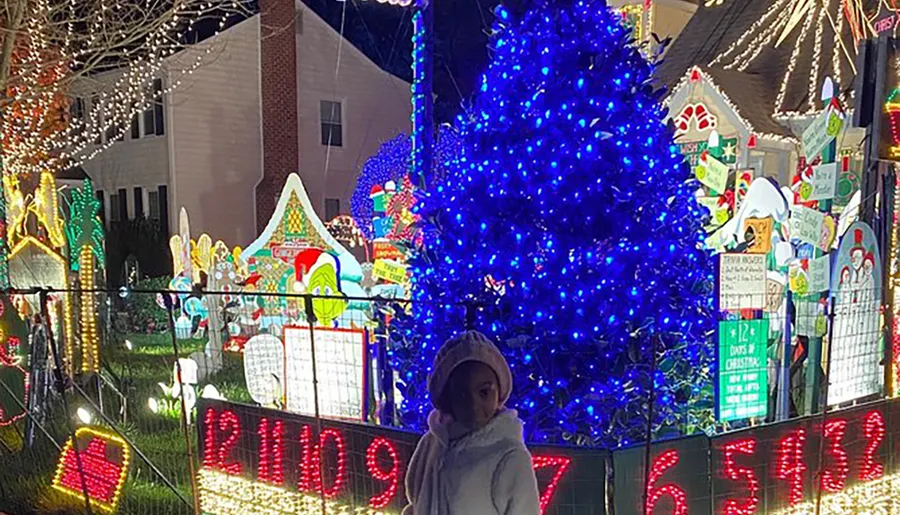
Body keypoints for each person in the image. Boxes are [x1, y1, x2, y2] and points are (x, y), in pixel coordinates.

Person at [403, 330, 540, 515]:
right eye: (461, 394)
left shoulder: (509, 456)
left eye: (484, 392)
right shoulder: (430, 444)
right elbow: (415, 499)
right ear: (446, 396)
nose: (474, 404)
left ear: (499, 391)